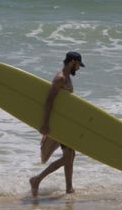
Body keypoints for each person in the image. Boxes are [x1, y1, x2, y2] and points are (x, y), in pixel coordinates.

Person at [29, 51, 84, 198]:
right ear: (73, 62)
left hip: (65, 124)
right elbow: (49, 101)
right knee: (68, 157)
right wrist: (46, 125)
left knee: (70, 155)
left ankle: (69, 188)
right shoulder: (60, 78)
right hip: (60, 125)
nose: (78, 68)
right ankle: (36, 180)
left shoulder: (66, 78)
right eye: (78, 65)